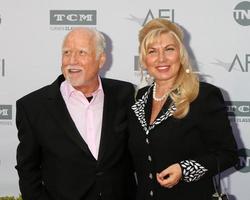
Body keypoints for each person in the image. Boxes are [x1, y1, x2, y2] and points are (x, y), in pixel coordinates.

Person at [15, 27, 136, 200]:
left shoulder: (124, 94)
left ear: (101, 59)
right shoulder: (33, 107)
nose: (72, 60)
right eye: (67, 52)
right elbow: (28, 170)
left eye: (81, 52)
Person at [128, 18, 238, 200]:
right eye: (152, 51)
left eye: (169, 49)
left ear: (181, 54)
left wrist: (184, 169)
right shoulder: (140, 98)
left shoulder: (202, 95)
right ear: (144, 59)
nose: (161, 58)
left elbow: (228, 155)